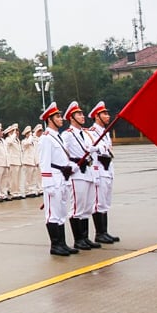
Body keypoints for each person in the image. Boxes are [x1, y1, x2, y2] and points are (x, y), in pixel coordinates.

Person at [37, 103, 76, 256]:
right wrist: (48, 185)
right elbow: (44, 163)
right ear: (50, 119)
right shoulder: (46, 138)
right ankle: (55, 245)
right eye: (58, 116)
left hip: (62, 178)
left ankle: (63, 243)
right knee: (52, 214)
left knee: (60, 213)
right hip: (53, 179)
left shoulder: (57, 137)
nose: (61, 119)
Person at [61, 101, 101, 250]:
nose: (82, 116)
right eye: (79, 114)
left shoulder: (84, 133)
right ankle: (78, 239)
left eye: (82, 114)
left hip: (88, 172)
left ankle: (85, 237)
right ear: (71, 118)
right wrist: (71, 166)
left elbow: (89, 149)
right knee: (76, 208)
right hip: (77, 173)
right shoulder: (67, 134)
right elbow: (62, 152)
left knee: (86, 207)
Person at [88, 101, 120, 244]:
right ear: (97, 116)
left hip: (107, 169)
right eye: (104, 114)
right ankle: (99, 233)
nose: (108, 116)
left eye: (107, 113)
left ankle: (104, 231)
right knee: (98, 202)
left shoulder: (105, 133)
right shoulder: (91, 133)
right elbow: (93, 152)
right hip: (98, 170)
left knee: (105, 202)